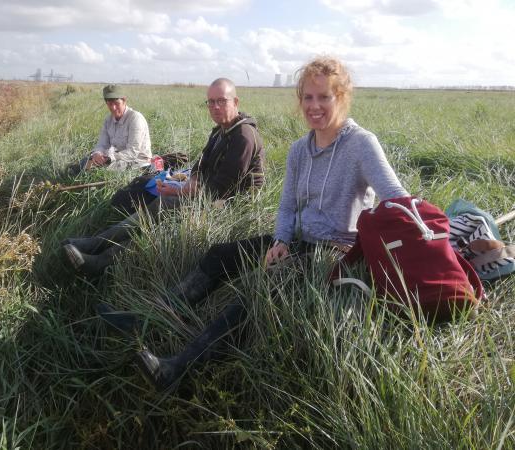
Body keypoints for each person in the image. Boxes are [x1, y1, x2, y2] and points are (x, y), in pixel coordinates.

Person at [105, 56, 409, 391]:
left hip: (334, 252)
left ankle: (178, 369)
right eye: (308, 97)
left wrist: (412, 235)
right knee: (220, 255)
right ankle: (145, 321)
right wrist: (279, 241)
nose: (315, 105)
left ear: (342, 98)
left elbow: (397, 197)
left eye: (325, 97)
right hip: (296, 240)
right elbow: (287, 206)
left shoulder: (360, 144)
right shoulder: (299, 150)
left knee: (259, 293)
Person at [62, 78, 265, 277]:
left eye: (221, 101)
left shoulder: (243, 136)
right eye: (211, 102)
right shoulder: (220, 131)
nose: (215, 107)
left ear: (235, 102)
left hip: (232, 205)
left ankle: (100, 258)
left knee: (166, 210)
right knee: (158, 201)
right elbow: (200, 165)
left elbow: (221, 190)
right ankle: (97, 246)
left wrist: (180, 191)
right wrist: (189, 182)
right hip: (211, 195)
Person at [69, 84, 152, 174]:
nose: (113, 108)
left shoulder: (135, 118)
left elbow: (133, 152)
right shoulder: (108, 120)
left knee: (97, 169)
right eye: (110, 104)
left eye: (117, 103)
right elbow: (102, 144)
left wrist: (109, 158)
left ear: (124, 101)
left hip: (137, 162)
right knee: (88, 160)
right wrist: (97, 154)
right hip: (117, 159)